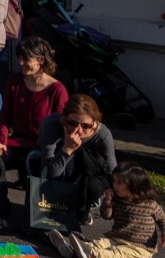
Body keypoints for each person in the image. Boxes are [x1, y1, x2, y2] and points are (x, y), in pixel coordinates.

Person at [48, 163, 165, 258]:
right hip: (117, 237)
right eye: (114, 181)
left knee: (116, 252)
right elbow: (106, 215)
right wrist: (107, 201)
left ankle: (90, 253)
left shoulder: (149, 204)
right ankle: (70, 246)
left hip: (141, 248)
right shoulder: (117, 199)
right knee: (101, 242)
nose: (114, 185)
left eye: (119, 183)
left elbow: (163, 218)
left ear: (133, 186)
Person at [0, 37, 68, 185]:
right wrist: (1, 140)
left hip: (43, 148)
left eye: (26, 59)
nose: (21, 63)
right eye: (19, 58)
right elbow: (5, 114)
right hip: (16, 142)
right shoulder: (14, 81)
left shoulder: (57, 89)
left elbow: (60, 125)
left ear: (40, 60)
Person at [34, 95, 117, 225]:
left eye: (85, 126)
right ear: (64, 118)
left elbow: (112, 168)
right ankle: (59, 206)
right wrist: (67, 149)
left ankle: (82, 209)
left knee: (93, 179)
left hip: (88, 172)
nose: (78, 130)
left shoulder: (103, 134)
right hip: (59, 167)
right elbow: (49, 173)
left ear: (94, 123)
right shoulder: (51, 125)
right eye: (72, 123)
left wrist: (112, 191)